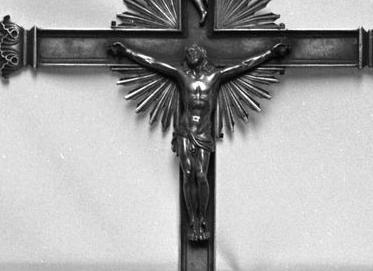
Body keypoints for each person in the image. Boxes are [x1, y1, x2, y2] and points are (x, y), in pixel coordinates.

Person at [110, 40, 289, 241]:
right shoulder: (181, 76)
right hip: (185, 131)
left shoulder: (214, 77)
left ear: (202, 55)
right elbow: (153, 63)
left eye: (194, 51)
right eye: (188, 52)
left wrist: (271, 54)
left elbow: (244, 65)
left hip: (204, 133)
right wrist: (126, 52)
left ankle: (202, 217)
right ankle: (192, 221)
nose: (190, 54)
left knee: (201, 174)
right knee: (188, 174)